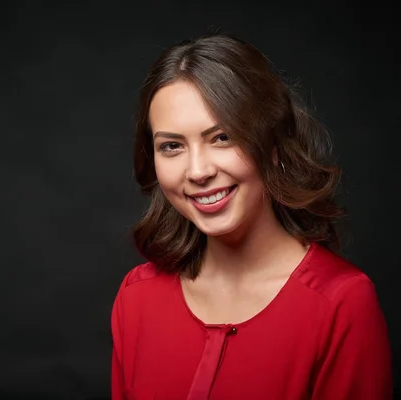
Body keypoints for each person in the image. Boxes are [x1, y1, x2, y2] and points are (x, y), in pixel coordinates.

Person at [110, 32, 392, 400]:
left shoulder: (341, 304)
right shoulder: (137, 297)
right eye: (172, 146)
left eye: (222, 137)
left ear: (273, 145)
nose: (197, 171)